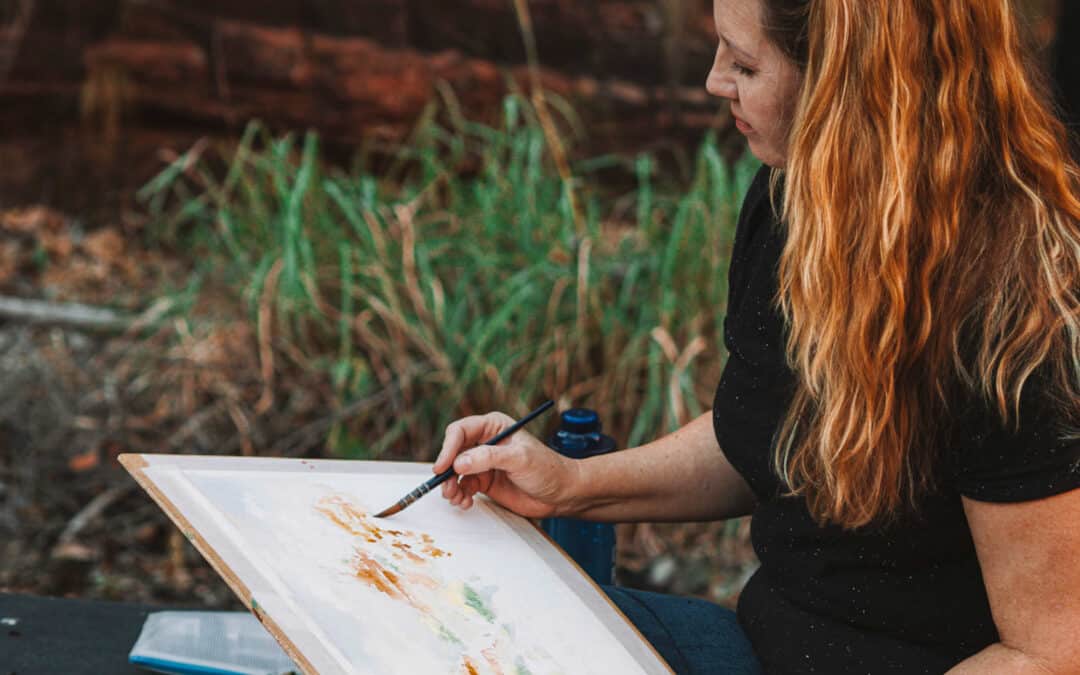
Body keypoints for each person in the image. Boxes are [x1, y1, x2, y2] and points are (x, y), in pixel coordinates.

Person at [433, 0, 1080, 672]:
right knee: (456, 634)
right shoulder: (793, 202)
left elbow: (1051, 650)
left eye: (744, 63)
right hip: (758, 644)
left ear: (843, 84)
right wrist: (570, 483)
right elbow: (763, 431)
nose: (715, 81)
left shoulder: (1018, 309)